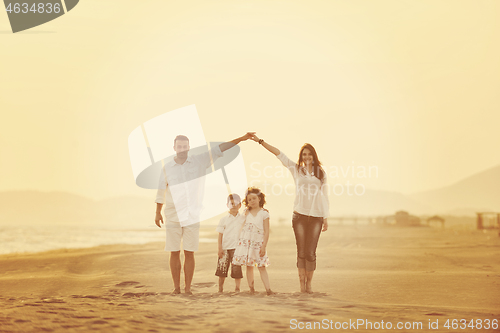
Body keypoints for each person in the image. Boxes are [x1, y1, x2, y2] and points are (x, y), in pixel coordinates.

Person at [155, 133, 255, 295]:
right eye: (179, 146)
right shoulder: (166, 168)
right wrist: (158, 212)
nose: (182, 149)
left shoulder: (199, 161)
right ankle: (176, 288)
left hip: (192, 215)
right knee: (174, 251)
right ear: (174, 148)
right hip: (172, 214)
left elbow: (220, 149)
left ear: (189, 147)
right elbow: (161, 191)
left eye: (184, 146)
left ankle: (187, 289)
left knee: (189, 251)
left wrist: (241, 138)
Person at [251, 135, 329, 293]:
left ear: (314, 156)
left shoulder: (321, 173)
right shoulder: (296, 170)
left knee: (311, 252)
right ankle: (302, 286)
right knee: (301, 251)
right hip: (299, 215)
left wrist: (325, 217)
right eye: (304, 154)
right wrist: (260, 141)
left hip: (316, 217)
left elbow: (325, 196)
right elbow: (279, 154)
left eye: (309, 154)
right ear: (301, 157)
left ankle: (309, 285)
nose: (307, 157)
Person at [232, 187, 273, 295]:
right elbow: (238, 224)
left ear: (259, 198)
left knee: (261, 266)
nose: (252, 201)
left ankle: (268, 289)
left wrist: (264, 246)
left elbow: (267, 231)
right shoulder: (246, 212)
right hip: (247, 243)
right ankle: (251, 289)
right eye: (249, 200)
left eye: (254, 198)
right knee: (249, 266)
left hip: (258, 244)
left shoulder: (264, 213)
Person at [215, 193, 245, 293]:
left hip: (237, 248)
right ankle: (220, 289)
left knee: (237, 269)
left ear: (240, 205)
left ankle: (237, 288)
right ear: (227, 205)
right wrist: (219, 248)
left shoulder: (242, 219)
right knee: (222, 270)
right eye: (231, 203)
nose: (234, 205)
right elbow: (220, 235)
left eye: (236, 203)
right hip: (225, 248)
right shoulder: (223, 220)